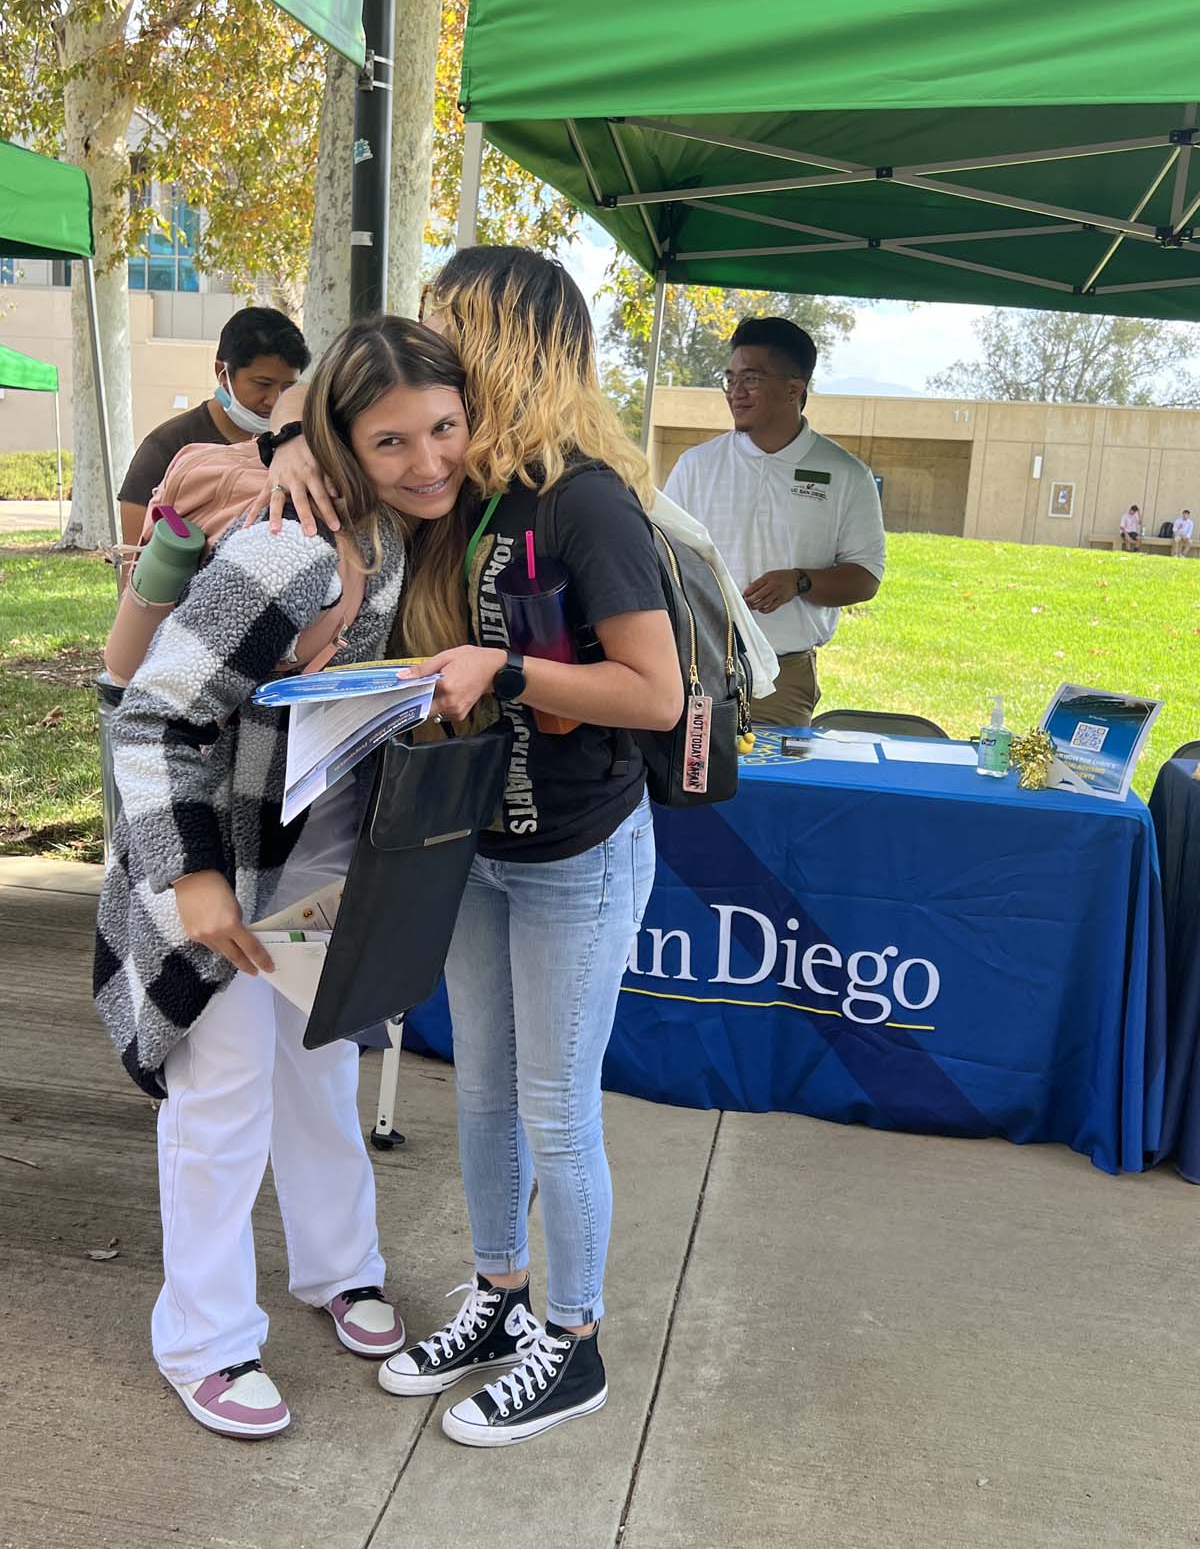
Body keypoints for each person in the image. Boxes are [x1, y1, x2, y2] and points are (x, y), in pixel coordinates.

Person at [266, 245, 683, 1448]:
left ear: (503, 341)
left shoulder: (586, 498)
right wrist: (288, 441)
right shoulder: (472, 493)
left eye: (449, 321)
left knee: (556, 1108)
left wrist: (505, 668)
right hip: (479, 845)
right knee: (485, 1100)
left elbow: (653, 695)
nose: (429, 338)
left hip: (578, 856)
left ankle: (577, 1340)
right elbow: (341, 397)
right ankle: (502, 1301)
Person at [93, 317, 476, 1439]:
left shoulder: (399, 529)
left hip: (317, 857)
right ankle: (205, 1339)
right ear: (346, 447)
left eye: (443, 429)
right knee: (220, 1101)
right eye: (393, 441)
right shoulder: (290, 548)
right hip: (218, 859)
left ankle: (338, 1267)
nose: (429, 460)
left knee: (320, 1071)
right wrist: (194, 885)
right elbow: (153, 715)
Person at [663, 317, 885, 727]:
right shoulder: (696, 466)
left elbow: (865, 578)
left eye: (751, 378)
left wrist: (799, 581)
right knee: (687, 788)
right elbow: (662, 559)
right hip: (695, 668)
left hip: (782, 680)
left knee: (770, 789)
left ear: (793, 389)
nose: (735, 392)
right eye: (729, 379)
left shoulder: (845, 474)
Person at [116, 305, 309, 545]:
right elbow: (134, 566)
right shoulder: (165, 448)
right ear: (222, 372)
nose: (274, 400)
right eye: (262, 383)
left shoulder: (295, 444)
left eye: (287, 388)